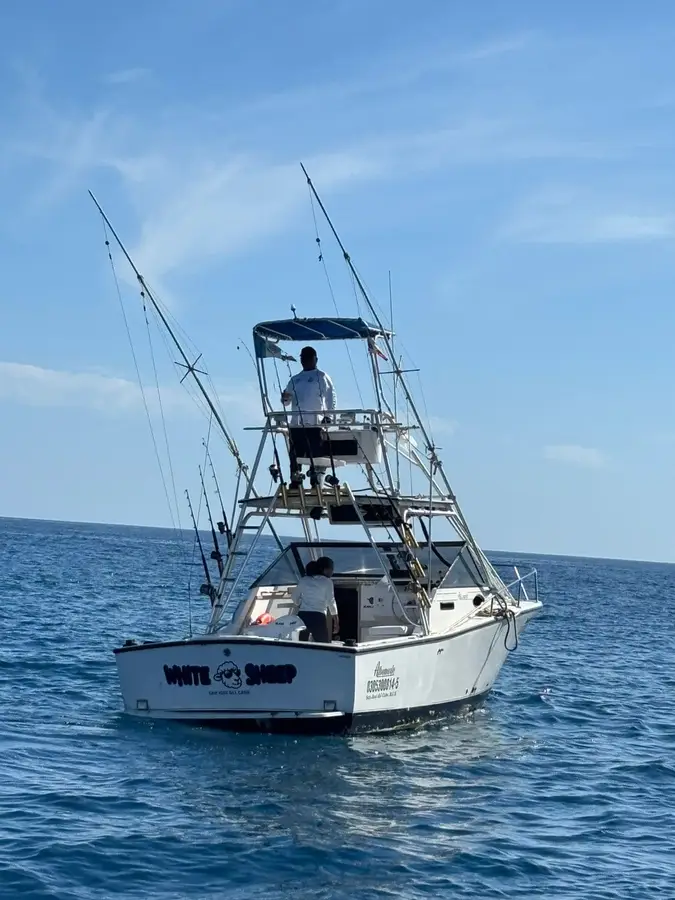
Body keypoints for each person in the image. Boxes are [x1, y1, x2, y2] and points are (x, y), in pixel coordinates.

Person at [281, 346, 336, 488]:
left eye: (308, 358)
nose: (305, 361)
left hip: (314, 423)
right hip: (296, 424)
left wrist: (328, 416)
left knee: (315, 454)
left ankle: (316, 481)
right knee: (295, 454)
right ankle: (296, 480)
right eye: (303, 358)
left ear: (315, 359)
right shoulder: (295, 379)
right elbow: (286, 402)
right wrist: (285, 398)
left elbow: (331, 397)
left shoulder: (322, 377)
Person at [291, 556, 339, 643]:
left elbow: (294, 597)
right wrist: (336, 621)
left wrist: (300, 603)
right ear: (324, 569)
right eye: (331, 569)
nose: (332, 572)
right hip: (318, 617)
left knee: (301, 643)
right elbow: (331, 602)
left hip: (303, 616)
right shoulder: (327, 582)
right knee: (322, 644)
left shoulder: (303, 580)